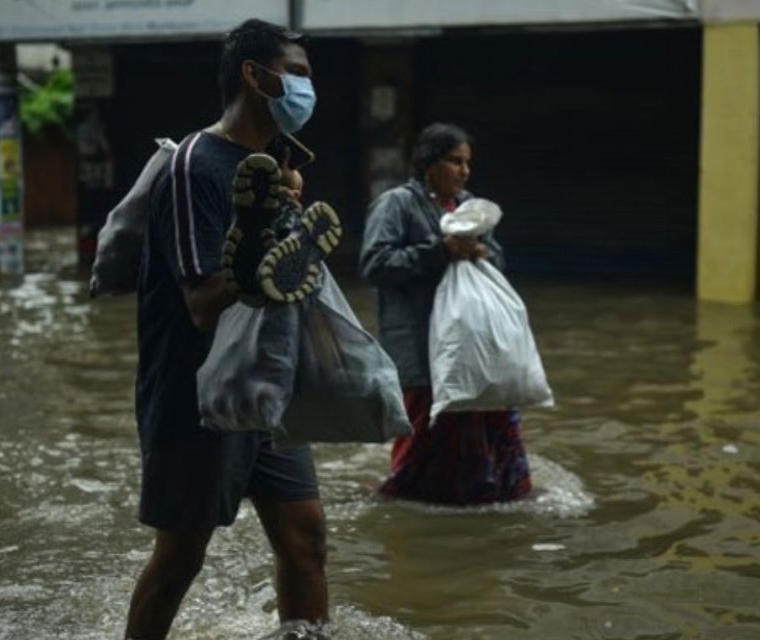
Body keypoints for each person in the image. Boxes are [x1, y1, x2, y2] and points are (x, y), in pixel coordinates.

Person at [125, 19, 328, 639]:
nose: (304, 89)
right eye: (295, 75)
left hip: (267, 384)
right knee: (181, 558)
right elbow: (201, 303)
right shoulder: (196, 166)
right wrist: (257, 266)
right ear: (254, 74)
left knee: (306, 539)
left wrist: (289, 235)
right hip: (196, 394)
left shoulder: (275, 166)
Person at [360, 123, 533, 505]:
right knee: (424, 435)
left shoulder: (470, 208)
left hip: (472, 348)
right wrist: (440, 251)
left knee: (490, 425)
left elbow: (499, 260)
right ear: (428, 163)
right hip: (420, 348)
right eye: (455, 161)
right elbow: (375, 264)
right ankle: (406, 507)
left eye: (467, 163)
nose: (464, 171)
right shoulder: (397, 204)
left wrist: (482, 254)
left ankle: (489, 498)